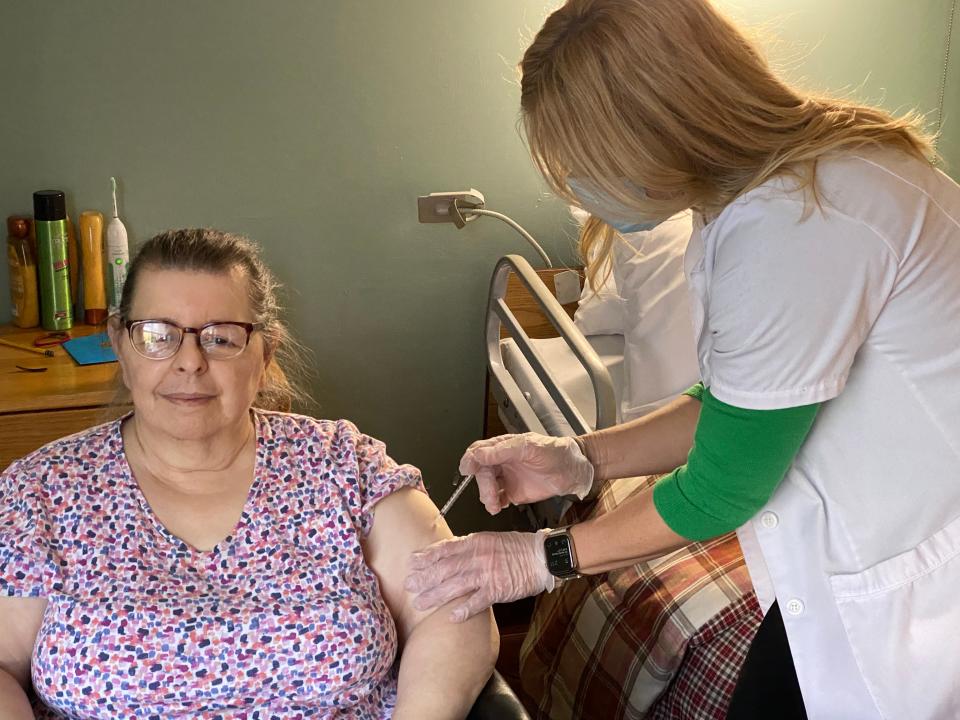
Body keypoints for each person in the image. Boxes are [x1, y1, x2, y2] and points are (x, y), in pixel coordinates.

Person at [405, 1, 960, 718]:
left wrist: (540, 557)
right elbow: (737, 399)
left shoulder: (794, 225)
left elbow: (722, 490)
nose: (576, 185)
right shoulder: (790, 180)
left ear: (658, 125)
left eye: (583, 162)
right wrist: (579, 455)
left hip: (921, 570)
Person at [0, 228, 498, 719]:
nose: (189, 362)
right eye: (158, 336)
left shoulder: (342, 463)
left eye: (220, 338)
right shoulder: (41, 493)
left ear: (265, 355)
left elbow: (453, 605)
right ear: (120, 347)